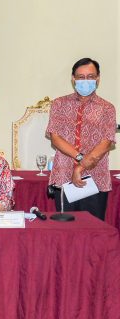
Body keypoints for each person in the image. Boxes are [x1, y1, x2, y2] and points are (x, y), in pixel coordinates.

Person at [46, 58, 116, 220]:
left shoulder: (107, 108)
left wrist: (79, 168)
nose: (86, 81)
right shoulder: (59, 104)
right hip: (64, 177)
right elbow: (55, 137)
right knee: (65, 229)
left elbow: (107, 142)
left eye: (90, 77)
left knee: (93, 227)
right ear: (73, 79)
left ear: (98, 79)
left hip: (95, 179)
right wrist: (80, 158)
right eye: (81, 77)